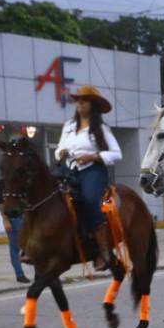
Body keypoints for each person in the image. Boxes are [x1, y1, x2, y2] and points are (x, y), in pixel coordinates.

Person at [55, 85, 122, 270]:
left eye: (84, 101)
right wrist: (61, 152)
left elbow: (117, 154)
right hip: (69, 170)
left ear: (93, 105)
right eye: (78, 100)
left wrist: (93, 156)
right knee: (51, 197)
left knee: (89, 199)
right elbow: (58, 149)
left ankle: (104, 251)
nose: (80, 104)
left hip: (92, 170)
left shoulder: (101, 128)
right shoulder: (68, 127)